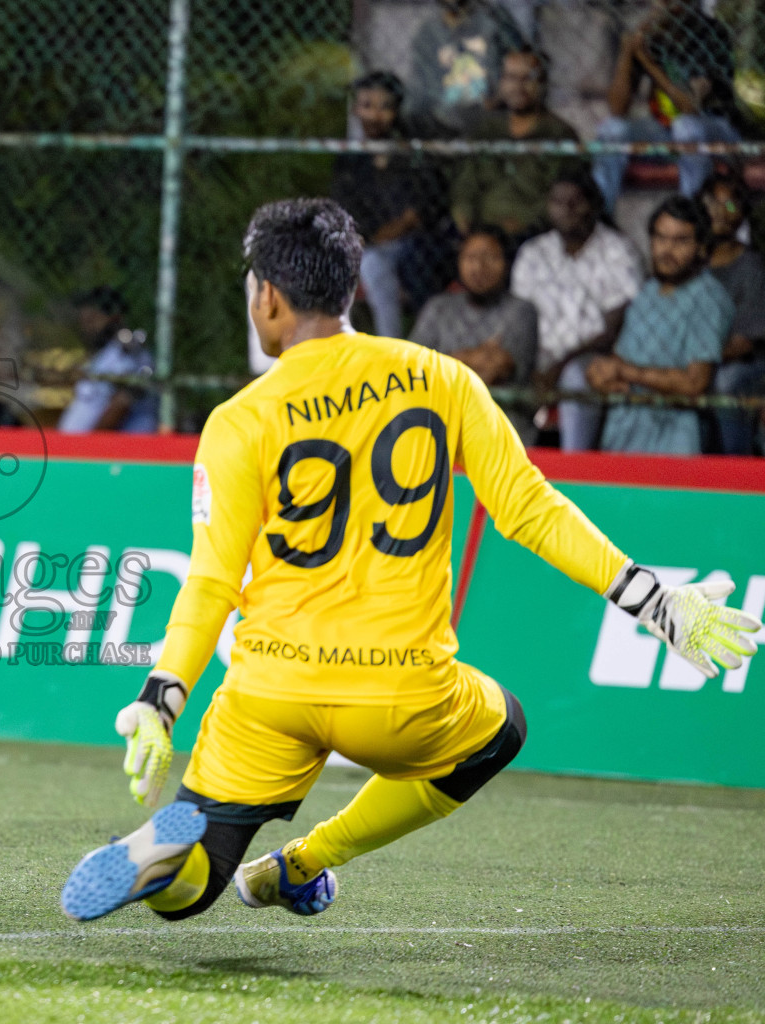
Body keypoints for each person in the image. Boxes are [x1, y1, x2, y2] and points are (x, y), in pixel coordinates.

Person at [58, 197, 759, 925]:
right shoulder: (443, 379)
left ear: (265, 295)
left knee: (193, 886)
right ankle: (304, 862)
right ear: (351, 288)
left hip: (271, 686)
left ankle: (161, 861)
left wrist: (159, 699)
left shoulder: (239, 419)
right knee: (500, 731)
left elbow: (210, 581)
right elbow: (530, 509)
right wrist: (656, 601)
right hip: (397, 695)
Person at [509, 167, 643, 450]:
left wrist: (558, 367)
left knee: (574, 377)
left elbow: (614, 329)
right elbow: (519, 318)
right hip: (538, 355)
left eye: (576, 201)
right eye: (558, 202)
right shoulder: (533, 253)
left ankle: (573, 466)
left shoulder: (619, 252)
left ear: (594, 206)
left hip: (592, 357)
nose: (567, 209)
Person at [585, 196, 731, 455]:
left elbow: (694, 383)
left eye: (680, 241)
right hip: (624, 430)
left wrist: (625, 372)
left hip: (677, 437)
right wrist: (602, 375)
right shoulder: (647, 291)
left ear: (700, 247)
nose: (667, 250)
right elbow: (620, 359)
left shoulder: (709, 297)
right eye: (660, 238)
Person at [593, 0, 746, 211]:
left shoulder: (709, 32)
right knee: (611, 128)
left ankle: (691, 215)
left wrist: (649, 64)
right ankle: (601, 214)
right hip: (665, 132)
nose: (662, 7)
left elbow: (691, 107)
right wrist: (628, 51)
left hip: (716, 130)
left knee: (686, 126)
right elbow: (617, 109)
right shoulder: (652, 36)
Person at [331, 72, 448, 339]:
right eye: (366, 105)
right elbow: (345, 210)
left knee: (374, 264)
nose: (374, 115)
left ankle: (392, 343)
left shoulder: (412, 153)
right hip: (364, 243)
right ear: (355, 109)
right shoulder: (350, 159)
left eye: (384, 107)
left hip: (409, 243)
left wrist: (374, 238)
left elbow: (415, 214)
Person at [411, 225, 539, 441]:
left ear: (507, 264)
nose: (479, 267)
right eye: (470, 257)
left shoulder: (521, 311)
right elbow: (415, 368)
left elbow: (498, 369)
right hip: (441, 423)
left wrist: (445, 361)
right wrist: (479, 355)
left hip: (502, 427)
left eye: (490, 257)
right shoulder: (438, 308)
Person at [451, 48, 580, 243]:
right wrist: (465, 221)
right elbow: (465, 185)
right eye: (511, 77)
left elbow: (563, 196)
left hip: (534, 235)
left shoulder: (560, 135)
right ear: (501, 83)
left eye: (529, 78)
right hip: (480, 232)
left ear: (543, 83)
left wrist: (525, 224)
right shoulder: (485, 131)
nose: (519, 86)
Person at [699, 175, 765, 455]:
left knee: (726, 381)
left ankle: (735, 461)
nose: (721, 213)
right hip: (695, 359)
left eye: (730, 206)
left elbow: (745, 342)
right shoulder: (690, 260)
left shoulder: (751, 265)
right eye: (714, 204)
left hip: (744, 364)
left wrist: (696, 361)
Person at [405, 0, 525, 133]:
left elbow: (522, 60)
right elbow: (421, 88)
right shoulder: (428, 33)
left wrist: (500, 96)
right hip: (442, 123)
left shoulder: (493, 21)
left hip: (491, 118)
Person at [57, 286, 158, 433]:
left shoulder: (128, 353)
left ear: (115, 317)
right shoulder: (107, 353)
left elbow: (121, 404)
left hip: (115, 449)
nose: (87, 328)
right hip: (82, 449)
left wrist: (89, 445)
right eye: (84, 322)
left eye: (92, 320)